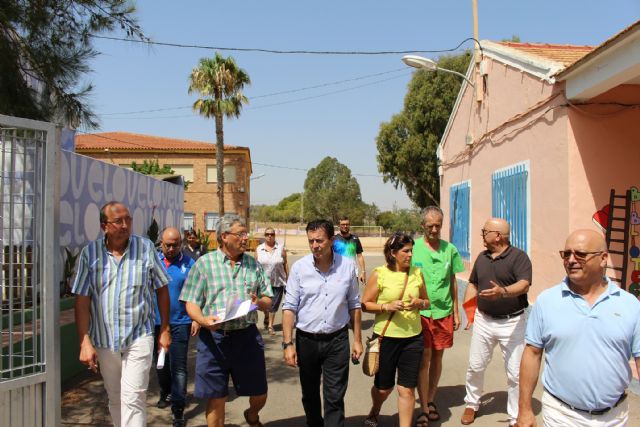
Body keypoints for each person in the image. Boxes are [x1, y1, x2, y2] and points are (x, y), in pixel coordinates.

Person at [517, 229, 640, 427]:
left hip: (614, 418)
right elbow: (532, 353)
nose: (571, 260)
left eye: (580, 254)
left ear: (603, 259)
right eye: (566, 254)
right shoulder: (547, 301)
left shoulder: (630, 305)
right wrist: (524, 410)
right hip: (561, 415)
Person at [72, 201, 171, 427]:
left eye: (128, 219)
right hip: (104, 340)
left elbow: (162, 289)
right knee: (116, 398)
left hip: (139, 335)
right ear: (104, 226)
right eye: (118, 221)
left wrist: (164, 329)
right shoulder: (90, 254)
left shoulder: (145, 248)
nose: (125, 225)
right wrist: (84, 340)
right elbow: (82, 299)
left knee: (133, 397)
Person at [180, 215, 273, 427]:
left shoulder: (253, 264)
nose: (245, 238)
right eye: (240, 234)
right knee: (216, 396)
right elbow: (191, 302)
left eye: (245, 233)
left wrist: (258, 302)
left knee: (259, 392)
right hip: (214, 338)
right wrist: (203, 320)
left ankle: (252, 414)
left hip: (247, 337)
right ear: (224, 236)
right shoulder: (204, 264)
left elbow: (269, 298)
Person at [282, 219, 363, 427]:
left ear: (331, 240)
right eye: (311, 241)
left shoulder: (347, 267)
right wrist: (288, 343)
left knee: (334, 396)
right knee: (309, 395)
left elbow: (354, 304)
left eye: (319, 240)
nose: (315, 246)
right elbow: (289, 307)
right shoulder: (300, 269)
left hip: (337, 340)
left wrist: (357, 340)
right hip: (306, 341)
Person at [461, 218, 532, 426]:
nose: (482, 234)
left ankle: (514, 415)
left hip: (513, 323)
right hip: (484, 320)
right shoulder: (482, 258)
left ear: (498, 236)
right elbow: (473, 284)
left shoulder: (519, 258)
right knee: (475, 365)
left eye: (485, 231)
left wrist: (503, 292)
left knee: (515, 373)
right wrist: (469, 311)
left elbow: (524, 285)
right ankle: (471, 404)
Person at [361, 232, 430, 427]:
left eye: (411, 251)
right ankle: (375, 410)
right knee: (384, 389)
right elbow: (365, 304)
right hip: (386, 338)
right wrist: (386, 306)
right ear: (393, 252)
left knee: (406, 389)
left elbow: (427, 302)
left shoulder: (417, 273)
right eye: (405, 251)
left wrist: (419, 303)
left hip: (413, 338)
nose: (410, 255)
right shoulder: (379, 273)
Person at [411, 206, 465, 425]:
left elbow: (452, 281)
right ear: (422, 225)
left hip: (443, 312)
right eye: (430, 225)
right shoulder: (412, 248)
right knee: (424, 358)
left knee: (438, 357)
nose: (434, 229)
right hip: (420, 312)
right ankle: (424, 405)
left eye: (438, 225)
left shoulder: (449, 249)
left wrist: (456, 310)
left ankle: (431, 398)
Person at [153, 227, 199, 427]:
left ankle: (178, 409)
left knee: (178, 366)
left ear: (180, 243)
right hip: (155, 322)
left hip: (181, 322)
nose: (171, 248)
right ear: (160, 243)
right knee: (161, 364)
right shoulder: (152, 262)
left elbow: (198, 292)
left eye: (175, 244)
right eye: (167, 245)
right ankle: (166, 392)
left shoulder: (190, 263)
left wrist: (196, 318)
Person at [256, 227, 288, 335]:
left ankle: (270, 325)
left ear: (274, 236)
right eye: (267, 234)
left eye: (272, 234)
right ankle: (266, 316)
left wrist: (287, 279)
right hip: (263, 283)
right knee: (266, 304)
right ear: (265, 236)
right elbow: (255, 266)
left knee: (274, 304)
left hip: (278, 281)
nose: (269, 236)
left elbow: (285, 264)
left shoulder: (281, 249)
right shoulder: (259, 249)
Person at [333, 216, 366, 284]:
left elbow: (359, 256)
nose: (345, 226)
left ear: (349, 225)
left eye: (347, 224)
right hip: (338, 275)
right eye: (343, 224)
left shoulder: (355, 239)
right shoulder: (334, 239)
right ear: (339, 225)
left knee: (354, 295)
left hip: (353, 274)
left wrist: (363, 272)